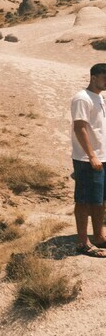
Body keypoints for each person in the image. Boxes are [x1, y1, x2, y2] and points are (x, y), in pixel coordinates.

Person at [71, 64, 106, 256]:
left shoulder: (99, 97)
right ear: (93, 77)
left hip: (102, 157)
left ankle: (99, 236)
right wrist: (91, 155)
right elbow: (80, 128)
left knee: (100, 200)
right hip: (87, 159)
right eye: (104, 77)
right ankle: (82, 242)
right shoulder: (82, 98)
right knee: (84, 200)